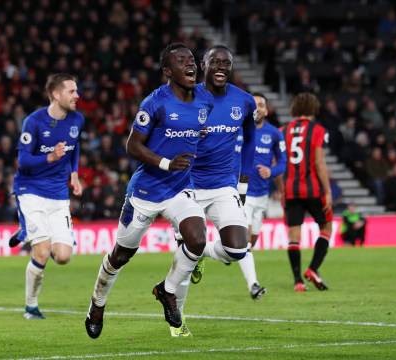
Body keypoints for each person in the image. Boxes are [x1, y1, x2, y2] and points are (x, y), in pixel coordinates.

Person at [84, 43, 208, 339]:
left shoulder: (205, 99)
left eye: (191, 59)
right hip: (146, 192)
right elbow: (132, 145)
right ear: (167, 71)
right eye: (181, 61)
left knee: (197, 239)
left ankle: (167, 291)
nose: (190, 65)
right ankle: (97, 305)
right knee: (121, 255)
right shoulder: (156, 103)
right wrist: (166, 162)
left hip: (180, 189)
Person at [169, 45, 257, 335]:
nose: (220, 67)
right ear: (203, 65)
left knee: (237, 249)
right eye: (214, 62)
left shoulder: (243, 102)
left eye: (226, 63)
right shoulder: (186, 96)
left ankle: (204, 251)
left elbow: (250, 143)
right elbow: (166, 137)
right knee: (184, 258)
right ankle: (178, 322)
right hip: (188, 185)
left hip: (223, 184)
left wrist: (242, 185)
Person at [13, 73, 85, 320]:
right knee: (42, 250)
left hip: (58, 194)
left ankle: (27, 229)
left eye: (77, 91)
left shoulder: (77, 120)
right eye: (72, 91)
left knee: (63, 257)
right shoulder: (34, 122)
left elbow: (74, 147)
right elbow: (22, 161)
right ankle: (30, 307)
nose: (78, 95)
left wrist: (74, 173)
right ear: (56, 94)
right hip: (30, 191)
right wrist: (50, 158)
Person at [281, 92, 332, 292]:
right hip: (313, 189)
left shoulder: (282, 130)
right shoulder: (317, 130)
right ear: (314, 108)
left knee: (294, 236)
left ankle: (298, 282)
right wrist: (327, 191)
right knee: (326, 228)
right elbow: (319, 162)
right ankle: (312, 269)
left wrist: (281, 188)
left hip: (291, 190)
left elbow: (279, 162)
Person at [238, 92, 286, 299]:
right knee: (245, 239)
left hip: (262, 195)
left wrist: (271, 172)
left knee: (251, 241)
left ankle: (225, 251)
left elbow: (283, 162)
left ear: (267, 110)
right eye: (255, 105)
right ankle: (253, 285)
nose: (258, 108)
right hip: (242, 193)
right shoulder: (239, 129)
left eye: (262, 105)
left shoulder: (274, 134)